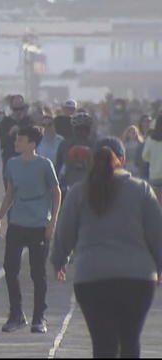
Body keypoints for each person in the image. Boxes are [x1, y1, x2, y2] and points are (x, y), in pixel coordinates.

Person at [51, 137, 162, 358]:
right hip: (138, 278)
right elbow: (157, 234)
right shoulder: (141, 190)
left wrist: (59, 259)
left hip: (92, 277)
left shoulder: (78, 192)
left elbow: (65, 232)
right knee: (130, 341)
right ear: (122, 160)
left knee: (103, 344)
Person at [0, 126, 61, 334]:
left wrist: (52, 223)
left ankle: (39, 317)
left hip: (39, 224)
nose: (17, 143)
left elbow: (56, 193)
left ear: (32, 144)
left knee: (37, 272)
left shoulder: (44, 165)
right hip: (17, 223)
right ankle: (16, 314)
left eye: (21, 140)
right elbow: (10, 193)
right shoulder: (13, 164)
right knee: (10, 268)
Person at [55, 112, 95, 196]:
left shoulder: (95, 145)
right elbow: (58, 166)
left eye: (85, 128)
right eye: (79, 128)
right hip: (69, 184)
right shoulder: (65, 144)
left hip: (90, 185)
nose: (82, 131)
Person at [0, 95, 32, 174]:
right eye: (16, 109)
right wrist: (10, 133)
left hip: (28, 161)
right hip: (10, 160)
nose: (18, 111)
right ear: (11, 108)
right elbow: (0, 143)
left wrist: (22, 130)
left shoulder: (29, 121)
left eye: (21, 109)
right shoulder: (4, 123)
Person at [142, 114, 162, 203]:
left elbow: (144, 157)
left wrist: (154, 159)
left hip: (154, 176)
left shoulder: (150, 139)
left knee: (156, 204)